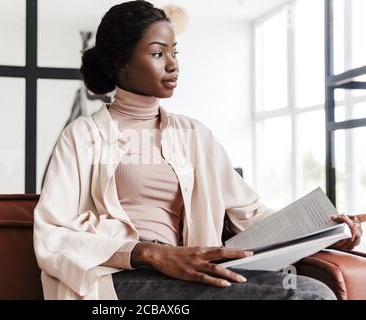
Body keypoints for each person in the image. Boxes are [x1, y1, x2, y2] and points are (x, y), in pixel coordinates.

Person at [33, 1, 363, 300]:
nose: (173, 65)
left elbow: (250, 215)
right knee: (306, 296)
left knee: (311, 290)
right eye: (158, 53)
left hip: (191, 272)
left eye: (175, 52)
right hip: (119, 279)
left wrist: (324, 233)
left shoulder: (194, 134)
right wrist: (149, 253)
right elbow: (51, 235)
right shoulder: (82, 136)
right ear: (121, 63)